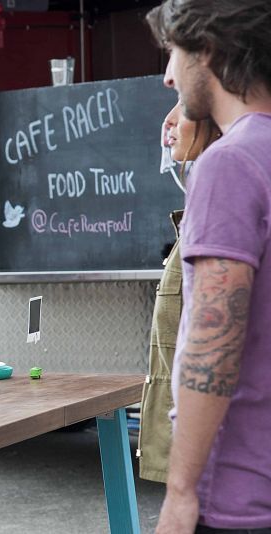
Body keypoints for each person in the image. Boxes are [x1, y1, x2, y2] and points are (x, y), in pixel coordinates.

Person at [147, 1, 271, 532]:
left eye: (175, 52)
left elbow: (213, 346)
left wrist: (179, 494)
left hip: (237, 497)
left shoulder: (230, 163)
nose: (169, 75)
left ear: (210, 51)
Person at [137, 102, 220, 484]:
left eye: (184, 107)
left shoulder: (222, 197)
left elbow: (212, 349)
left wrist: (186, 484)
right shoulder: (200, 203)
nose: (166, 122)